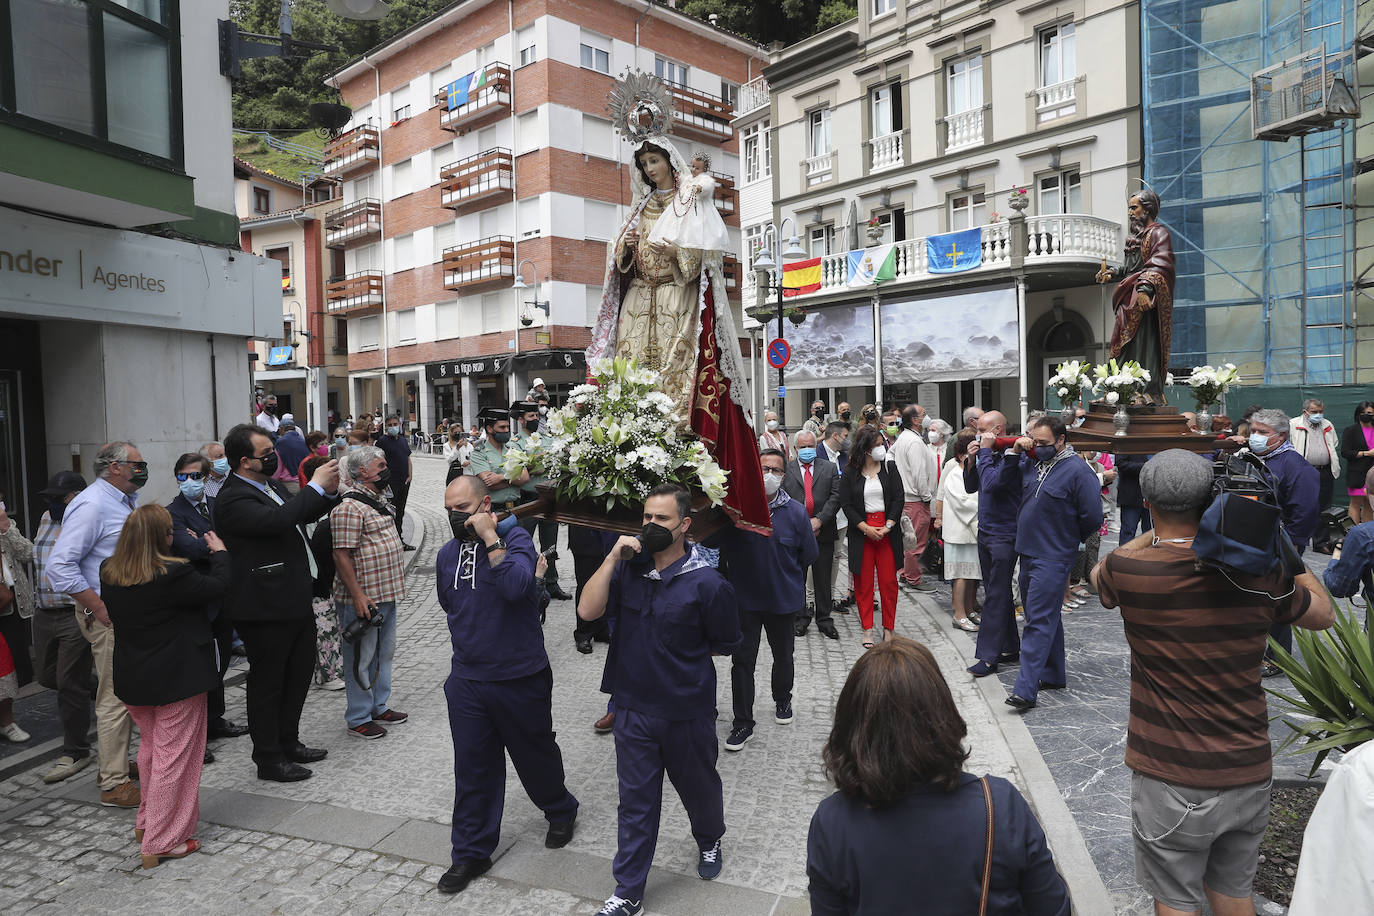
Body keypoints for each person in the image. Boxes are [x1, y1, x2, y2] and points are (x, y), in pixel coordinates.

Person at [1093, 449, 1333, 916]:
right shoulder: (1260, 574)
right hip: (1247, 766)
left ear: (1145, 503)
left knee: (1177, 900)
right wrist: (1275, 540)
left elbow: (1107, 567)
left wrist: (1160, 532)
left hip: (1171, 776)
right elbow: (1322, 614)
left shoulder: (1130, 573)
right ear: (1213, 500)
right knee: (1233, 893)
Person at [587, 86, 768, 531]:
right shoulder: (640, 208)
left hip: (675, 299)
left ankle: (672, 456)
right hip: (638, 300)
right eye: (644, 164)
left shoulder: (691, 203)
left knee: (673, 377)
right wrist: (625, 250)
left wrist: (672, 251)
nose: (650, 169)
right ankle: (627, 452)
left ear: (669, 161)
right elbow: (620, 266)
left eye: (655, 161)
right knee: (629, 375)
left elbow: (699, 263)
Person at [807, 637, 1070, 915]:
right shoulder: (998, 806)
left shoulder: (832, 821)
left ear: (852, 725)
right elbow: (1054, 908)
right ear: (940, 711)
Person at [577, 484, 741, 916]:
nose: (650, 526)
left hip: (686, 711)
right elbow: (587, 612)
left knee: (699, 789)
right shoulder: (629, 570)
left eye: (661, 519)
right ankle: (629, 891)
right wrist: (613, 557)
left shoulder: (708, 583)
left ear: (684, 526)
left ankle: (709, 839)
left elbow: (724, 643)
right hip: (632, 710)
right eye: (646, 518)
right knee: (635, 804)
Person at [435, 475, 579, 895]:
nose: (452, 516)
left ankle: (560, 808)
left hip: (519, 675)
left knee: (534, 753)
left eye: (461, 508)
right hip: (467, 680)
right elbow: (451, 604)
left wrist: (490, 540)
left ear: (484, 507)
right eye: (447, 507)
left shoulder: (516, 544)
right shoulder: (447, 553)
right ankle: (470, 851)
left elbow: (518, 589)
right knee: (473, 767)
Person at [101, 504, 231, 869]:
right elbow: (218, 586)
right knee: (174, 759)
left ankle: (147, 825)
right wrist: (220, 553)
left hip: (135, 677)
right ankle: (163, 840)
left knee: (152, 752)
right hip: (177, 677)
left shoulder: (109, 571)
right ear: (164, 537)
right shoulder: (172, 573)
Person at [214, 424, 340, 782]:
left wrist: (327, 494)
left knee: (297, 675)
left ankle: (289, 742)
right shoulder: (233, 497)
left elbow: (296, 516)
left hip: (293, 596)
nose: (273, 457)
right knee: (269, 683)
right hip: (264, 606)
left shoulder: (268, 485)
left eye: (273, 449)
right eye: (265, 453)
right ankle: (268, 758)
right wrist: (314, 485)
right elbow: (276, 521)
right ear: (244, 461)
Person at [47, 441, 144, 809]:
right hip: (108, 614)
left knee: (123, 691)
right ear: (115, 468)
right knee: (115, 696)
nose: (142, 469)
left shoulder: (119, 500)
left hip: (123, 611)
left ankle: (113, 764)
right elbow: (60, 567)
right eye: (137, 463)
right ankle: (113, 782)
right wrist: (98, 606)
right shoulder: (91, 504)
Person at [716, 449, 817, 752]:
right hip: (745, 599)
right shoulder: (737, 511)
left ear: (784, 476)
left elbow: (808, 555)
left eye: (776, 469)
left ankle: (782, 699)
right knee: (742, 661)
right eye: (763, 468)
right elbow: (714, 544)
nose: (769, 475)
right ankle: (742, 722)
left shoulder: (796, 513)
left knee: (783, 655)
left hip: (782, 600)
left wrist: (785, 577)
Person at [1002, 417, 1103, 710]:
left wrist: (1068, 537)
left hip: (1054, 554)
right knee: (1043, 616)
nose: (1038, 447)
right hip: (1028, 551)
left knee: (1038, 621)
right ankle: (1054, 674)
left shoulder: (1078, 472)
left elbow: (1093, 517)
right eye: (1035, 441)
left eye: (1044, 443)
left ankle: (1025, 688)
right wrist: (1014, 453)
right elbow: (1005, 484)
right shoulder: (1033, 463)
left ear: (1061, 440)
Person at [165, 453, 247, 751]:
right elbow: (190, 548)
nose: (190, 482)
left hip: (225, 596)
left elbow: (236, 541)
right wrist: (211, 543)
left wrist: (209, 542)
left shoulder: (216, 505)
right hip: (199, 599)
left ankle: (215, 718)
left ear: (207, 477)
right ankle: (199, 732)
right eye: (184, 476)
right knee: (201, 666)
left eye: (196, 476)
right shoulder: (172, 513)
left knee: (221, 660)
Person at [330, 446, 408, 739]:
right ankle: (359, 717)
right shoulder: (349, 507)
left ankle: (379, 705)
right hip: (362, 599)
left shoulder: (377, 500)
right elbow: (341, 555)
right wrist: (359, 596)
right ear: (362, 471)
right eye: (381, 464)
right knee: (360, 659)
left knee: (383, 654)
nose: (386, 468)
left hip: (386, 593)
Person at [1240, 408, 1319, 672]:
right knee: (1252, 598)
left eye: (1263, 432)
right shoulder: (1249, 458)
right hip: (1249, 539)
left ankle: (1277, 658)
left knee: (1278, 598)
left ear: (1281, 435)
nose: (1255, 436)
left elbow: (1305, 508)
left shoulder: (1294, 465)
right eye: (1253, 431)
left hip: (1280, 543)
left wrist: (1294, 545)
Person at [31, 471, 94, 782]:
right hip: (44, 613)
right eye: (50, 498)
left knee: (69, 683)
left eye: (60, 497)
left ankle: (76, 750)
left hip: (73, 612)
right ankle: (112, 692)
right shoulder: (46, 517)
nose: (53, 503)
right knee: (46, 676)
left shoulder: (86, 519)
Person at [1095, 189, 1175, 399]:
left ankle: (1143, 390)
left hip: (1142, 299)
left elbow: (1160, 263)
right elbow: (1130, 269)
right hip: (1127, 297)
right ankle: (1120, 389)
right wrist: (1112, 273)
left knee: (1141, 342)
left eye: (1134, 207)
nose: (1130, 212)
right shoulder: (1135, 237)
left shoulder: (1159, 234)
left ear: (1147, 209)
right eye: (1129, 208)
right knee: (1122, 342)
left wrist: (1145, 289)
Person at [964, 412, 1024, 678]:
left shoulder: (1014, 455)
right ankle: (1010, 645)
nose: (979, 434)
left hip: (1005, 535)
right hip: (985, 531)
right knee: (995, 591)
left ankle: (988, 658)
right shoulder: (986, 453)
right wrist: (972, 458)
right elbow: (971, 486)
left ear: (998, 430)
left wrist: (985, 453)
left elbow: (992, 485)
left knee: (996, 595)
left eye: (984, 430)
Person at [839, 426, 904, 649]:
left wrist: (889, 525)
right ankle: (867, 628)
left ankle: (888, 628)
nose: (881, 448)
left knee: (889, 583)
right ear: (865, 448)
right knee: (863, 583)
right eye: (876, 445)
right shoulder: (850, 472)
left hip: (887, 531)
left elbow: (898, 498)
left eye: (881, 444)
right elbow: (846, 504)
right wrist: (864, 527)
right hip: (862, 532)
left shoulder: (890, 467)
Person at [787, 431, 841, 639]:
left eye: (810, 446)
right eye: (802, 447)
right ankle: (800, 619)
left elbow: (836, 497)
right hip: (795, 534)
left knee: (823, 577)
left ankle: (824, 619)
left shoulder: (828, 468)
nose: (807, 450)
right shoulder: (787, 469)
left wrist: (819, 520)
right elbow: (784, 498)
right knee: (797, 578)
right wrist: (802, 524)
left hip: (823, 531)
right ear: (795, 449)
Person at [301, 454, 345, 692]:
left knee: (332, 625)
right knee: (324, 627)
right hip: (318, 577)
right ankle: (327, 675)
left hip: (333, 576)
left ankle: (334, 670)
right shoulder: (308, 503)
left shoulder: (335, 499)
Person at [935, 429, 981, 632]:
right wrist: (984, 509)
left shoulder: (974, 471)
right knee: (961, 575)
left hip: (971, 531)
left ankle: (970, 609)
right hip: (960, 532)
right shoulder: (955, 473)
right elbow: (964, 502)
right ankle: (959, 614)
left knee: (972, 574)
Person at [891, 404, 938, 593]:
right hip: (916, 499)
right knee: (915, 542)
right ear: (915, 420)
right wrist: (926, 496)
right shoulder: (915, 442)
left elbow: (890, 455)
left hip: (908, 497)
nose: (927, 418)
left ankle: (905, 573)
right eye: (924, 414)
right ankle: (913, 578)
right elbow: (919, 473)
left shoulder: (904, 437)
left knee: (909, 539)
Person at [0, 498, 34, 742]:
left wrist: (5, 527)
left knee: (11, 669)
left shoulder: (7, 526)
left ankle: (7, 722)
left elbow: (29, 553)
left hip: (13, 605)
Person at [1290, 399, 1340, 552]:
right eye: (1314, 412)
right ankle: (1297, 541)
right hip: (1304, 471)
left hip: (1325, 470)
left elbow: (1335, 443)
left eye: (1320, 411)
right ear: (1305, 412)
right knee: (1303, 506)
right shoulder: (1293, 424)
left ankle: (1321, 543)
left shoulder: (1328, 424)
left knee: (1324, 507)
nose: (1318, 415)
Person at [458, 406, 529, 498]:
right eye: (502, 427)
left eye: (508, 427)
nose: (507, 430)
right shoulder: (479, 453)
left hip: (517, 505)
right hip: (495, 508)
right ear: (490, 429)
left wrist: (501, 478)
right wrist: (515, 481)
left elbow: (525, 477)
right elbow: (490, 484)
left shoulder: (512, 449)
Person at [376, 415, 416, 550]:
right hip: (391, 484)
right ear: (386, 426)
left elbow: (408, 458)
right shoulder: (382, 441)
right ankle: (391, 542)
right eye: (390, 424)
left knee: (400, 512)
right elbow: (379, 462)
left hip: (404, 482)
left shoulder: (403, 440)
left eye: (395, 424)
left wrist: (410, 475)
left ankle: (400, 540)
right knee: (390, 513)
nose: (393, 426)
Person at [1340, 401, 1374, 527]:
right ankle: (1351, 534)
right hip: (1357, 474)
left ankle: (1367, 536)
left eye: (1369, 413)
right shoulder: (1350, 430)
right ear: (1358, 414)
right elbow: (1346, 452)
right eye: (1363, 413)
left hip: (1373, 475)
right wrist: (1366, 453)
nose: (1366, 415)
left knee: (1369, 504)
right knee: (1355, 504)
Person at [1114, 454, 1152, 544]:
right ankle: (1124, 557)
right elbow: (1120, 464)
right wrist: (1145, 466)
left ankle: (1149, 557)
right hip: (1131, 494)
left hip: (1152, 495)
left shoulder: (1158, 442)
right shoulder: (1126, 442)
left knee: (1151, 532)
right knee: (1128, 532)